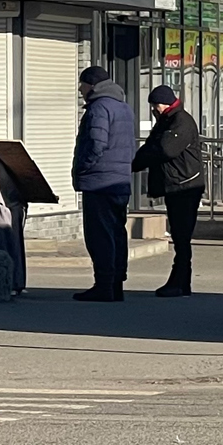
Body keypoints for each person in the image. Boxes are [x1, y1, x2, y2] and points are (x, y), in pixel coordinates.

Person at [133, 86, 205, 297]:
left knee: (181, 236)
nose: (153, 110)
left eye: (154, 106)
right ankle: (181, 282)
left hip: (186, 186)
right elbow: (151, 145)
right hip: (178, 185)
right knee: (179, 235)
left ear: (161, 104)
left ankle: (180, 281)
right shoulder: (167, 120)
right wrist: (135, 162)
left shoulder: (180, 121)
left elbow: (165, 149)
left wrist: (136, 162)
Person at [72, 66, 135, 302]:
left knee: (100, 235)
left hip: (100, 182)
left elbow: (96, 144)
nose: (80, 89)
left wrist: (83, 167)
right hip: (120, 181)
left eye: (82, 84)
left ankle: (104, 284)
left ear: (92, 85)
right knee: (117, 232)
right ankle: (116, 283)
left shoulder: (99, 108)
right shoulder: (124, 108)